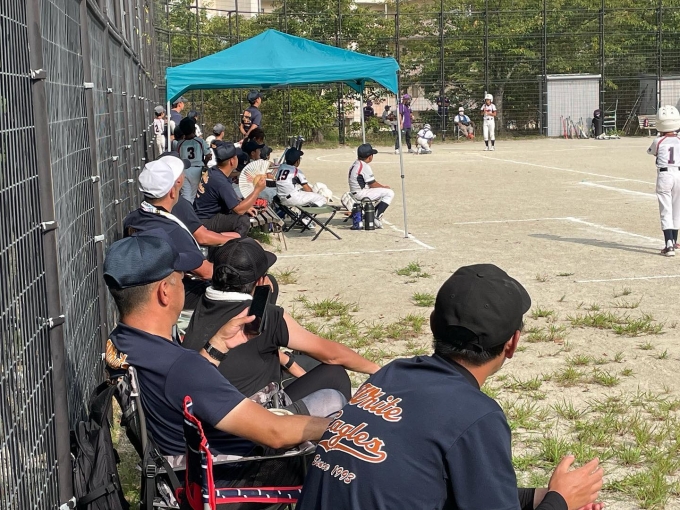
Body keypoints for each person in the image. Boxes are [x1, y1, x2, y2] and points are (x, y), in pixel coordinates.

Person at [297, 263, 604, 510]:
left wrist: (540, 498)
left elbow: (437, 486)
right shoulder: (476, 416)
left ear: (433, 323)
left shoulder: (391, 374)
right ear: (512, 343)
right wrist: (560, 500)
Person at [103, 233, 341, 490]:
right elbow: (275, 433)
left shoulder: (120, 343)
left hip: (179, 474)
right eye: (181, 279)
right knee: (335, 407)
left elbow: (177, 389)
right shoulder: (181, 365)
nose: (185, 284)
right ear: (164, 292)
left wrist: (217, 346)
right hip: (228, 479)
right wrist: (348, 427)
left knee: (327, 402)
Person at [181, 237, 380, 401]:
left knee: (301, 358)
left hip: (202, 407)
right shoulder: (264, 315)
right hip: (251, 418)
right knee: (334, 374)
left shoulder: (194, 302)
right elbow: (332, 355)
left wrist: (289, 362)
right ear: (261, 281)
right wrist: (377, 369)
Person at [123, 157, 212, 309]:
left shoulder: (132, 218)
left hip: (141, 293)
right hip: (167, 297)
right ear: (172, 192)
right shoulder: (171, 230)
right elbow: (207, 272)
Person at [159, 152, 240, 247]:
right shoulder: (179, 205)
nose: (184, 175)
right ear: (178, 180)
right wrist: (238, 240)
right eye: (182, 172)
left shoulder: (150, 201)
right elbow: (202, 238)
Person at [194, 143, 264, 238]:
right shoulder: (221, 182)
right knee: (243, 221)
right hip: (206, 221)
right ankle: (221, 240)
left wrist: (246, 207)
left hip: (200, 216)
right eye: (236, 157)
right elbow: (239, 210)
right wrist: (257, 190)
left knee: (239, 212)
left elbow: (229, 197)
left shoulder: (214, 171)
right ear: (232, 161)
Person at [647, 105, 680, 256]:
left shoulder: (658, 140)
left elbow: (651, 152)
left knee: (666, 210)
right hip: (678, 174)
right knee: (677, 208)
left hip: (665, 175)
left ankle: (669, 245)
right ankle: (674, 240)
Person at [348, 144, 394, 229]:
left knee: (383, 192)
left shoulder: (356, 163)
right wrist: (384, 187)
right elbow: (372, 184)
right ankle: (376, 217)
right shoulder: (364, 166)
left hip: (355, 192)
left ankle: (370, 214)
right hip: (361, 193)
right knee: (389, 193)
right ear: (369, 157)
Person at [177, 117, 211, 203]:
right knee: (194, 195)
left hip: (184, 170)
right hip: (197, 169)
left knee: (186, 196)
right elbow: (208, 155)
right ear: (194, 129)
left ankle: (186, 209)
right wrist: (205, 163)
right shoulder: (200, 141)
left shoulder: (180, 143)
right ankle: (190, 209)